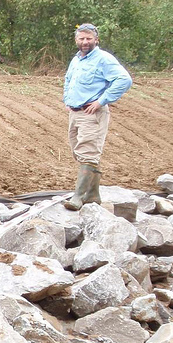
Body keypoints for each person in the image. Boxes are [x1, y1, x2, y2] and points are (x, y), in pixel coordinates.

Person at [63, 23, 132, 211]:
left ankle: (78, 197)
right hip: (76, 112)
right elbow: (69, 80)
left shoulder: (104, 59)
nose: (85, 42)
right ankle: (93, 195)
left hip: (91, 112)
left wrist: (101, 101)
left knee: (88, 153)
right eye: (81, 38)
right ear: (76, 40)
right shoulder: (76, 59)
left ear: (96, 40)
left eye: (88, 39)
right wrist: (67, 99)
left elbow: (124, 80)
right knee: (81, 152)